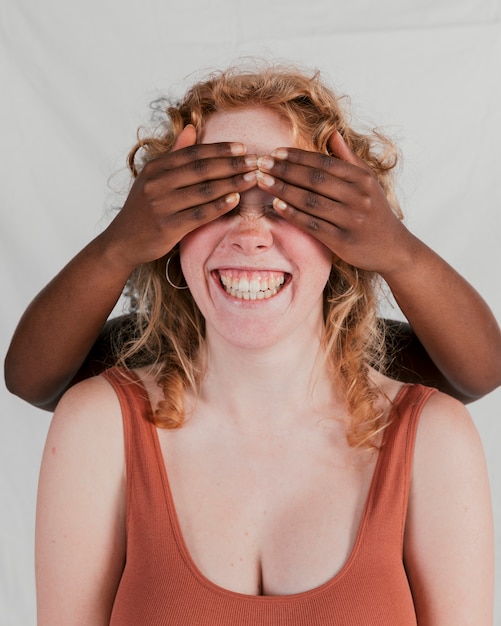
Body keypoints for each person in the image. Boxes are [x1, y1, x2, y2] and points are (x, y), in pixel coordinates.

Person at [34, 63, 493, 624]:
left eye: (289, 203)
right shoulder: (99, 423)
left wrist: (399, 249)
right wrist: (117, 244)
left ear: (350, 231)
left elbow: (482, 367)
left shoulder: (434, 437)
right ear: (165, 230)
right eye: (214, 201)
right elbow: (30, 375)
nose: (250, 235)